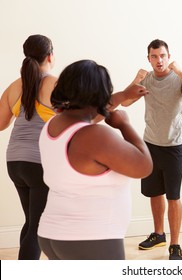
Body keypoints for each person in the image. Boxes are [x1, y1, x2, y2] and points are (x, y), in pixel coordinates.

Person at [37, 59, 153, 260]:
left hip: (51, 235)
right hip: (91, 238)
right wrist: (125, 125)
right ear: (99, 94)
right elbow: (144, 166)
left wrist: (124, 96)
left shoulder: (53, 125)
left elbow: (89, 118)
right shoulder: (95, 136)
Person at [122, 39, 182, 260]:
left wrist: (181, 71)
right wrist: (136, 79)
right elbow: (125, 103)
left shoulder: (178, 78)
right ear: (148, 58)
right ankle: (159, 234)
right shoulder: (146, 79)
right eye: (154, 56)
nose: (159, 60)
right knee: (154, 192)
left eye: (163, 56)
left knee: (173, 196)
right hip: (150, 144)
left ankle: (175, 244)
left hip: (174, 146)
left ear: (169, 56)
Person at [0, 35, 56, 260]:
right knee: (38, 227)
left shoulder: (15, 86)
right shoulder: (54, 83)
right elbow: (82, 116)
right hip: (39, 163)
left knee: (32, 222)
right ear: (50, 55)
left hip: (15, 162)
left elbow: (1, 124)